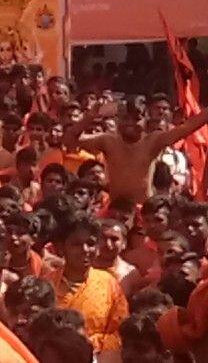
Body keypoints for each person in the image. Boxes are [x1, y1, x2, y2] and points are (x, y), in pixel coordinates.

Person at [64, 95, 208, 203]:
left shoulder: (153, 141)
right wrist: (88, 118)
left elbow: (186, 128)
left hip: (143, 212)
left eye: (136, 119)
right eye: (126, 118)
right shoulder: (108, 140)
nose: (130, 123)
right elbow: (69, 140)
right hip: (114, 209)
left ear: (145, 120)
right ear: (118, 120)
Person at [43, 212, 128, 357]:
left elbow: (121, 331)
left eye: (90, 243)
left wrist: (89, 344)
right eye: (76, 244)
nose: (85, 250)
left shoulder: (109, 284)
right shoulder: (46, 285)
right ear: (61, 248)